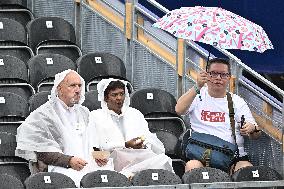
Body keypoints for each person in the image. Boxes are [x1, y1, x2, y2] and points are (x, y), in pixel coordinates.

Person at [175, 58, 261, 174]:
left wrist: (252, 129)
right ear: (206, 75)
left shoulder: (237, 101)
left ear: (229, 77)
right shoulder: (197, 94)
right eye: (214, 73)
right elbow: (178, 110)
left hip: (232, 157)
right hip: (200, 154)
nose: (218, 78)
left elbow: (256, 135)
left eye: (223, 74)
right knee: (192, 166)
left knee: (247, 171)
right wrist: (197, 86)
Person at [16, 69, 96, 186]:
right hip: (59, 167)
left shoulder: (84, 112)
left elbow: (93, 141)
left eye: (79, 86)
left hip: (86, 163)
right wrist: (69, 161)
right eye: (72, 86)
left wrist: (98, 155)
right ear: (59, 89)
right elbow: (42, 152)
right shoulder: (44, 114)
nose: (78, 90)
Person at [88, 78, 174, 178]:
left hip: (138, 157)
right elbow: (93, 147)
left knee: (163, 160)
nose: (119, 98)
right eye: (114, 95)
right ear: (106, 98)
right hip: (110, 160)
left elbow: (149, 138)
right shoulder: (95, 116)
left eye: (121, 94)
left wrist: (144, 144)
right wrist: (125, 145)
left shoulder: (135, 114)